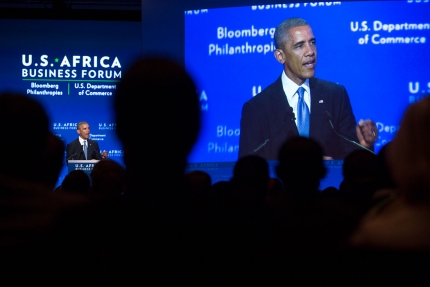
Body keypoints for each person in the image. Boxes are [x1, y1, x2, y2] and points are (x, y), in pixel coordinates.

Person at [238, 17, 378, 160]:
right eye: (299, 46)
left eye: (312, 42)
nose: (310, 51)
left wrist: (364, 147)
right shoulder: (257, 108)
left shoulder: (335, 95)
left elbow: (351, 159)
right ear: (280, 56)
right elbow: (249, 168)